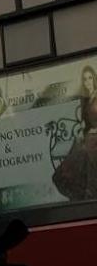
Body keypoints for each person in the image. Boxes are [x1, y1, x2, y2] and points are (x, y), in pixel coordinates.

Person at [53, 65, 97, 202]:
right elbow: (85, 122)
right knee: (77, 150)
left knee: (86, 151)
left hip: (95, 139)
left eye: (90, 78)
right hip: (88, 137)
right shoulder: (85, 99)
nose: (88, 82)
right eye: (85, 79)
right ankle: (85, 194)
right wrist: (81, 129)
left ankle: (90, 192)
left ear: (94, 79)